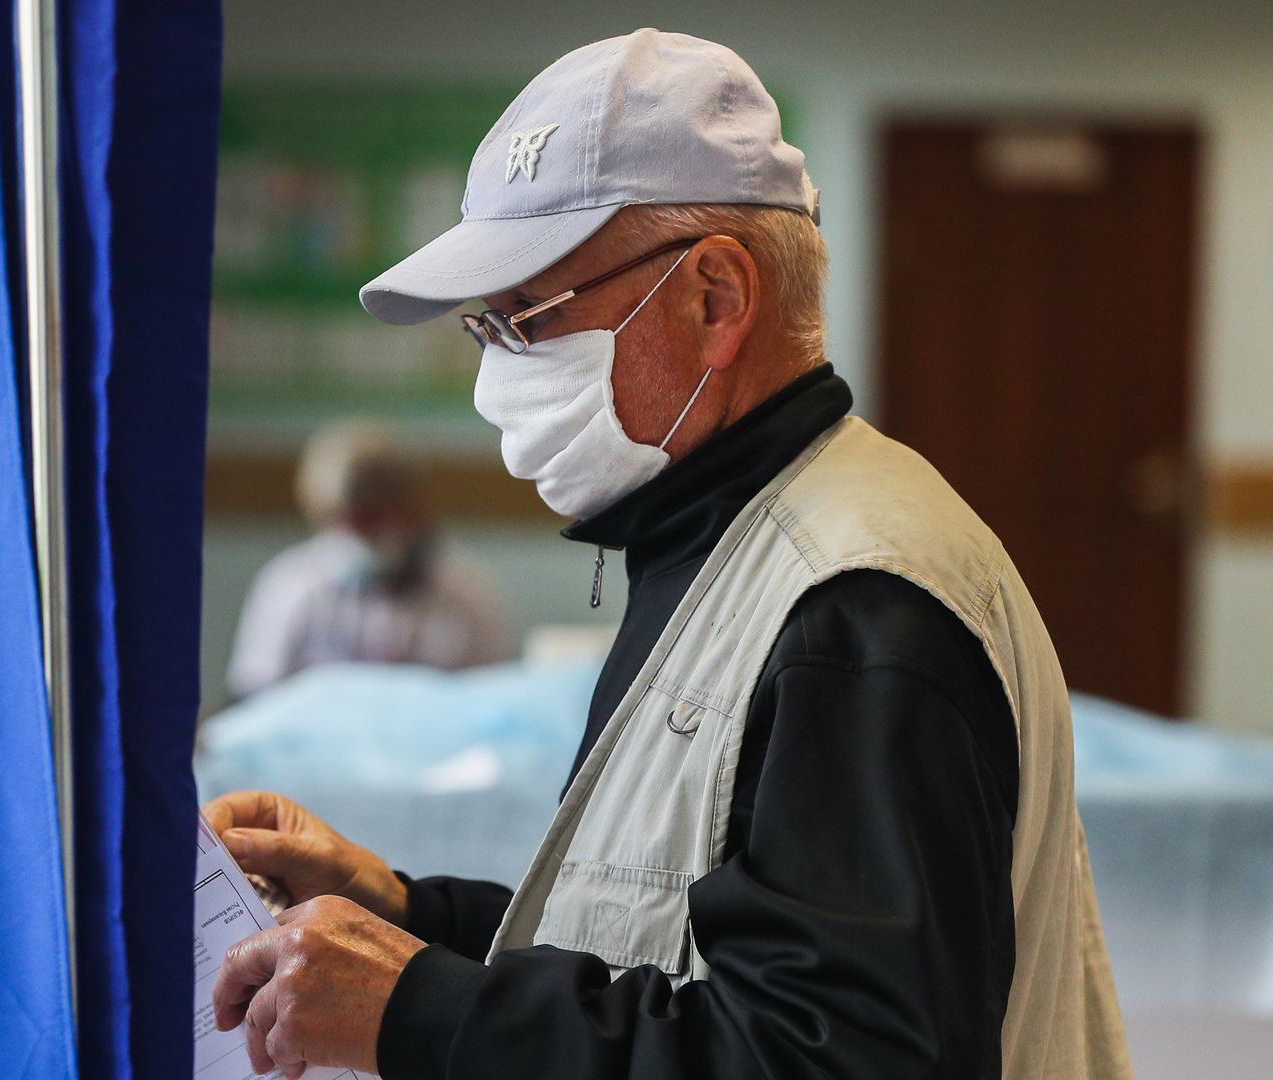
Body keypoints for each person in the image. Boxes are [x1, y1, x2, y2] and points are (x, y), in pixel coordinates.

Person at [205, 28, 1129, 1080]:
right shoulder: (725, 539)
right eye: (485, 330)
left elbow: (833, 1060)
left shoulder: (855, 605)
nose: (494, 379)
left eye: (527, 321)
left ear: (717, 299)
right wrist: (408, 916)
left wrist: (423, 1008)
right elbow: (687, 959)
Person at [225, 419, 510, 700]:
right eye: (355, 519)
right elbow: (254, 695)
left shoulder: (465, 593)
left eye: (379, 514)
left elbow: (492, 699)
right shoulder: (290, 586)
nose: (368, 534)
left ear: (412, 507)